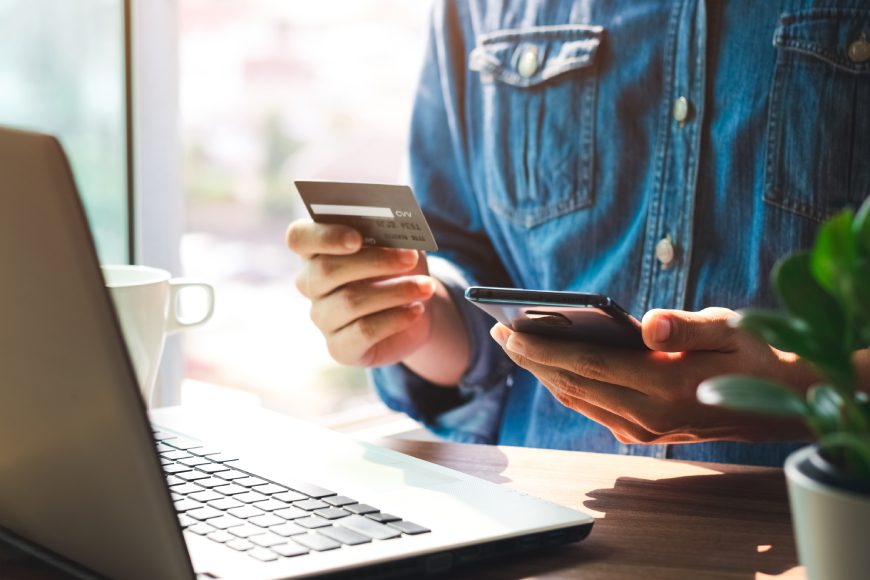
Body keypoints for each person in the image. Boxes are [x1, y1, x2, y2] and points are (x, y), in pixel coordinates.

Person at [287, 0, 870, 466]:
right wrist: (407, 315)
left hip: (826, 535)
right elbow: (467, 271)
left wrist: (797, 390)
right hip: (541, 527)